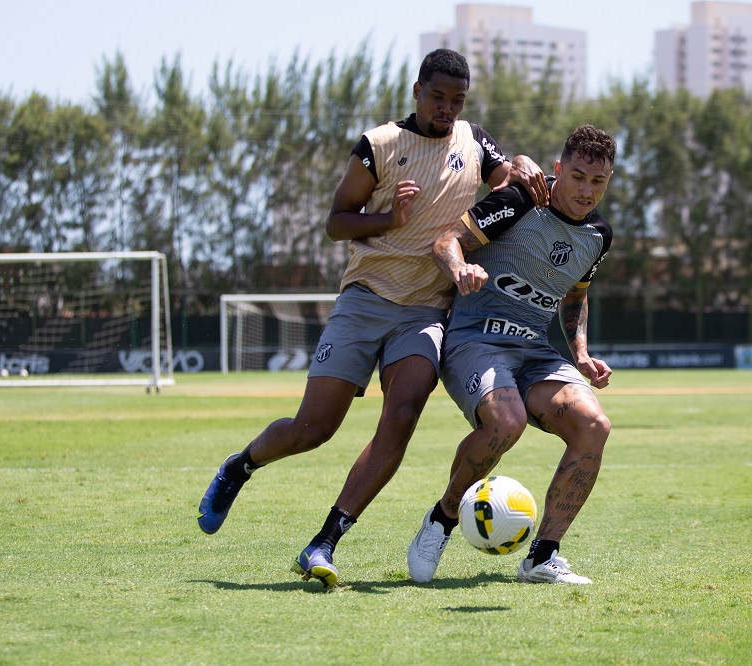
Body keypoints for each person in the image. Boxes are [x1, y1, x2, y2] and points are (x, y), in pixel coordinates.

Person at [197, 48, 548, 587]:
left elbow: (509, 178)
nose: (447, 109)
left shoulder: (473, 141)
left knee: (402, 415)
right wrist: (390, 216)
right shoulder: (380, 145)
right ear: (416, 90)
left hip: (427, 310)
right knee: (314, 428)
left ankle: (324, 541)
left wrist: (521, 163)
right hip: (365, 297)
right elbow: (337, 222)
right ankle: (240, 466)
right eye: (437, 97)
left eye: (457, 100)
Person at [407, 124, 616, 585]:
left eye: (598, 182)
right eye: (577, 176)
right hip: (475, 340)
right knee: (507, 422)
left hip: (535, 353)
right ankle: (441, 520)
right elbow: (446, 240)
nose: (586, 191)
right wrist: (461, 267)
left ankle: (543, 556)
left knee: (593, 425)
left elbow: (577, 292)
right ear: (558, 169)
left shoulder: (599, 234)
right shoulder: (521, 202)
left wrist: (579, 351)